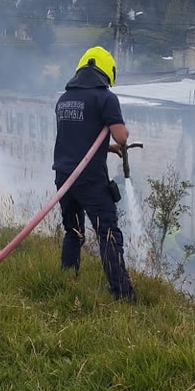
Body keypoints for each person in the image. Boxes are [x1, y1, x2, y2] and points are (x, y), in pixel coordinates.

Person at [52, 46, 136, 302]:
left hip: (64, 177)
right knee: (108, 233)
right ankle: (122, 294)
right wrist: (120, 138)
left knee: (73, 231)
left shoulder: (64, 99)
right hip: (90, 179)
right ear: (107, 72)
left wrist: (106, 147)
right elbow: (121, 136)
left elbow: (79, 136)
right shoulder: (105, 98)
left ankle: (68, 278)